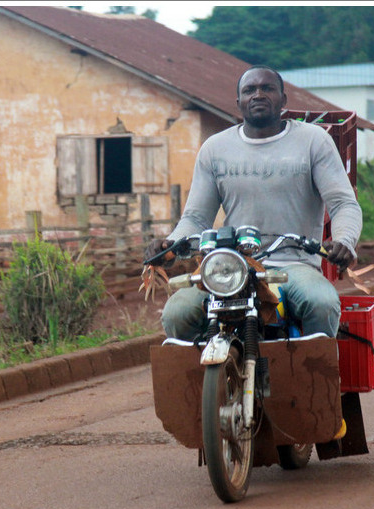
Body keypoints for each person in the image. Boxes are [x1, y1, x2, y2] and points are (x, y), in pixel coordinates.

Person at [144, 65, 362, 341]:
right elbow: (197, 218)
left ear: (283, 100)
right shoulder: (215, 148)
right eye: (249, 90)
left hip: (294, 265)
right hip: (232, 265)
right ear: (239, 103)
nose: (258, 94)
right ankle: (203, 381)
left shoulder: (313, 140)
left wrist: (344, 240)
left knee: (321, 302)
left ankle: (319, 378)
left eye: (267, 88)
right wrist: (170, 243)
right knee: (177, 314)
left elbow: (344, 204)